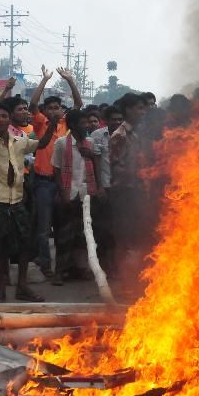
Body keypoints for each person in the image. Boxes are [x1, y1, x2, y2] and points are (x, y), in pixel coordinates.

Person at [0, 93, 59, 302]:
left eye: (5, 116)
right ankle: (2, 288)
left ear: (8, 119)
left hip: (17, 199)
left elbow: (41, 144)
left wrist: (54, 122)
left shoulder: (20, 141)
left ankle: (22, 286)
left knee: (25, 244)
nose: (2, 119)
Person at [29, 66, 82, 278]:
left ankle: (62, 267)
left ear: (61, 110)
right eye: (50, 107)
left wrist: (70, 80)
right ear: (45, 110)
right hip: (43, 182)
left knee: (62, 227)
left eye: (57, 107)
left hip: (64, 182)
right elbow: (33, 104)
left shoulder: (65, 124)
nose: (53, 110)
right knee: (43, 228)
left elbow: (78, 105)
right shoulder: (41, 123)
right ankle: (46, 265)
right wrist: (44, 79)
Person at [51, 110, 99, 285]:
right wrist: (63, 193)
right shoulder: (62, 143)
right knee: (64, 236)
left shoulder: (91, 143)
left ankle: (79, 269)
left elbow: (95, 165)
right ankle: (59, 271)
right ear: (72, 125)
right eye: (82, 122)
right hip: (68, 193)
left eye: (88, 122)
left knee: (83, 235)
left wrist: (92, 156)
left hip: (86, 194)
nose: (86, 125)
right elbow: (56, 169)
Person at [109, 93, 149, 278]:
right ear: (128, 110)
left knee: (137, 236)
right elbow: (115, 166)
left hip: (138, 191)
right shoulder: (120, 135)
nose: (143, 112)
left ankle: (134, 277)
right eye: (139, 108)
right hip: (123, 192)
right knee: (123, 238)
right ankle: (124, 278)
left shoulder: (140, 133)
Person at [89, 105, 124, 274]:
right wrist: (99, 187)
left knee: (118, 229)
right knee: (102, 228)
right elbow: (95, 162)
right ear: (107, 120)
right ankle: (103, 265)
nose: (117, 122)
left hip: (121, 188)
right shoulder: (97, 135)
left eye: (120, 119)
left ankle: (117, 266)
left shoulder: (127, 136)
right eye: (114, 119)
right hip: (104, 187)